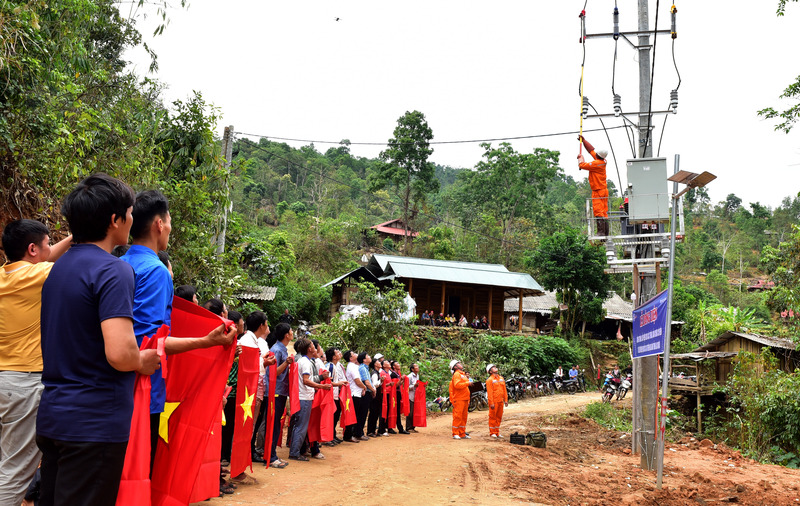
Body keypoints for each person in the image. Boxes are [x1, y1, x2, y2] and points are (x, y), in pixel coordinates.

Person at [36, 174, 162, 505]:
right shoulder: (113, 271)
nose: (132, 220)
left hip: (54, 415)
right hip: (94, 422)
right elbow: (120, 353)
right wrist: (142, 361)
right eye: (130, 213)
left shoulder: (57, 270)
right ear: (114, 220)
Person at [121, 189, 234, 470]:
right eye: (169, 221)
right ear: (159, 224)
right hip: (142, 393)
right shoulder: (156, 271)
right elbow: (149, 342)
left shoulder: (119, 264)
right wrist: (207, 341)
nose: (170, 228)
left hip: (112, 389)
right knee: (138, 473)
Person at [0, 220, 71, 505]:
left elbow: (52, 253)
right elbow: (68, 261)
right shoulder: (37, 275)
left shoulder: (4, 277)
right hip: (23, 384)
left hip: (4, 379)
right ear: (32, 249)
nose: (51, 249)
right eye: (46, 244)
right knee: (15, 473)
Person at [287, 338, 331, 461]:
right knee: (301, 426)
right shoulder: (305, 362)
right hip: (304, 397)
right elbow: (306, 380)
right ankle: (295, 453)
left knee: (299, 425)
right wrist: (321, 386)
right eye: (313, 345)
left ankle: (295, 451)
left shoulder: (303, 361)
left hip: (302, 396)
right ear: (309, 349)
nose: (316, 348)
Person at [267, 323, 294, 468]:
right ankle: (271, 457)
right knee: (274, 424)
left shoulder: (281, 349)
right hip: (276, 391)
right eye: (291, 331)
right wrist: (287, 363)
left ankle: (273, 455)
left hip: (281, 391)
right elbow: (273, 372)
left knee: (276, 424)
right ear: (286, 335)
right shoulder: (276, 350)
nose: (292, 333)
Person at [577, 135, 610, 236]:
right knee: (604, 212)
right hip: (604, 190)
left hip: (598, 191)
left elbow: (581, 165)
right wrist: (584, 141)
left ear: (599, 155)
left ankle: (600, 233)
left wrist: (580, 158)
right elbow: (591, 151)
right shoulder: (603, 161)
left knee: (598, 211)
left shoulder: (596, 164)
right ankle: (605, 233)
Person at [342, 350, 366, 443]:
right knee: (352, 415)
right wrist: (364, 387)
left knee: (354, 415)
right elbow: (357, 380)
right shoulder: (352, 367)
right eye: (353, 354)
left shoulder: (354, 366)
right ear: (351, 358)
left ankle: (350, 434)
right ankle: (348, 435)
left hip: (356, 393)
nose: (356, 354)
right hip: (354, 394)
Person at [325, 347, 346, 444]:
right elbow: (329, 381)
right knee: (331, 417)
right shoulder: (330, 366)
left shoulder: (336, 366)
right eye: (337, 353)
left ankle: (332, 436)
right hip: (331, 395)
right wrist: (339, 383)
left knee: (335, 416)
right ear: (333, 357)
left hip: (335, 394)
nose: (339, 353)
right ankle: (328, 438)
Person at [448, 360, 471, 440]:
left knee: (464, 417)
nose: (460, 364)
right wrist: (467, 383)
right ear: (455, 367)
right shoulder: (457, 374)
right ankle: (455, 433)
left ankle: (462, 433)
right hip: (459, 399)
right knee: (458, 416)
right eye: (458, 363)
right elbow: (457, 385)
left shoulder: (463, 374)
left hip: (465, 398)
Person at [485, 364, 508, 438]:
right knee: (493, 417)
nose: (495, 368)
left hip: (500, 401)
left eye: (495, 367)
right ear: (490, 371)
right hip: (494, 401)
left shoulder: (501, 378)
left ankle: (497, 432)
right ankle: (492, 432)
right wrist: (491, 403)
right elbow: (490, 392)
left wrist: (506, 399)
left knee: (499, 417)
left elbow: (504, 390)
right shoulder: (489, 380)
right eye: (493, 367)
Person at [391, 361, 410, 434]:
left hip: (398, 393)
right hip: (394, 394)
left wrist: (402, 380)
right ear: (394, 367)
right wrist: (401, 380)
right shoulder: (393, 374)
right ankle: (399, 428)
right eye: (397, 364)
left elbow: (399, 384)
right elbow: (395, 385)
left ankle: (399, 427)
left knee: (398, 411)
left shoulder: (398, 374)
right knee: (396, 411)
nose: (399, 365)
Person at [407, 363, 420, 433]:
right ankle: (408, 427)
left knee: (414, 412)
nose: (417, 367)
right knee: (410, 412)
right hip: (410, 396)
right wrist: (414, 385)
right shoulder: (409, 377)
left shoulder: (417, 376)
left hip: (415, 396)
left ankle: (412, 427)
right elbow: (406, 387)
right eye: (416, 366)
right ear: (412, 369)